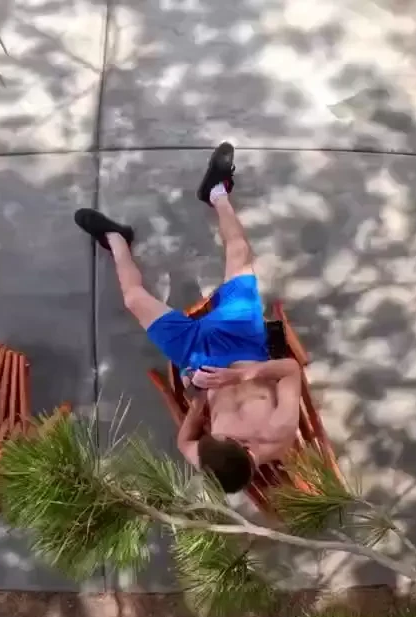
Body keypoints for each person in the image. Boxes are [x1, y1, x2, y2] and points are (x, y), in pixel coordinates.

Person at [74, 142, 302, 495]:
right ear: (243, 447)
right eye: (220, 437)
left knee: (134, 300)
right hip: (242, 343)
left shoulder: (207, 460)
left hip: (197, 357)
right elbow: (291, 371)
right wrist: (240, 375)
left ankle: (116, 238)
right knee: (240, 255)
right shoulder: (279, 432)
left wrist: (197, 399)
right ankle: (216, 192)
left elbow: (184, 444)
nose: (216, 434)